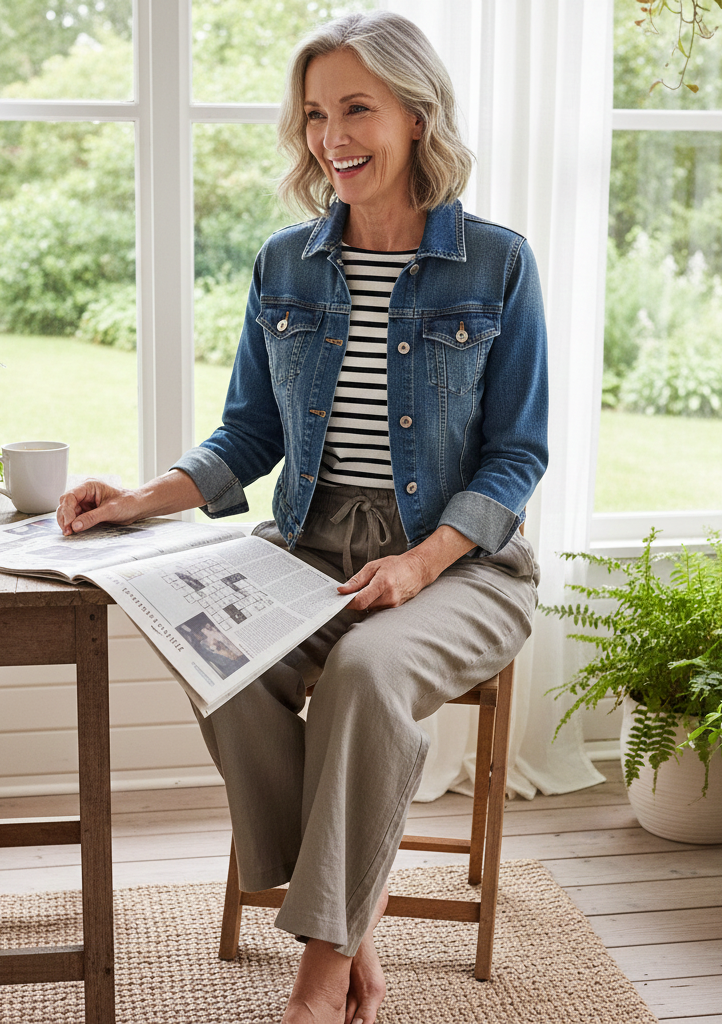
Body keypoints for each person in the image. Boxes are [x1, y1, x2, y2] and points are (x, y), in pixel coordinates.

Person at [57, 11, 548, 1023]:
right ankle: (351, 910)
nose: (332, 136)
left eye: (356, 109)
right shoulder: (287, 264)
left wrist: (422, 563)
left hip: (463, 566)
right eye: (316, 114)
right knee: (212, 651)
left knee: (368, 672)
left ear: (416, 115)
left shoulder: (497, 264)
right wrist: (140, 498)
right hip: (308, 544)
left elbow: (517, 456)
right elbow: (247, 433)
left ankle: (318, 983)